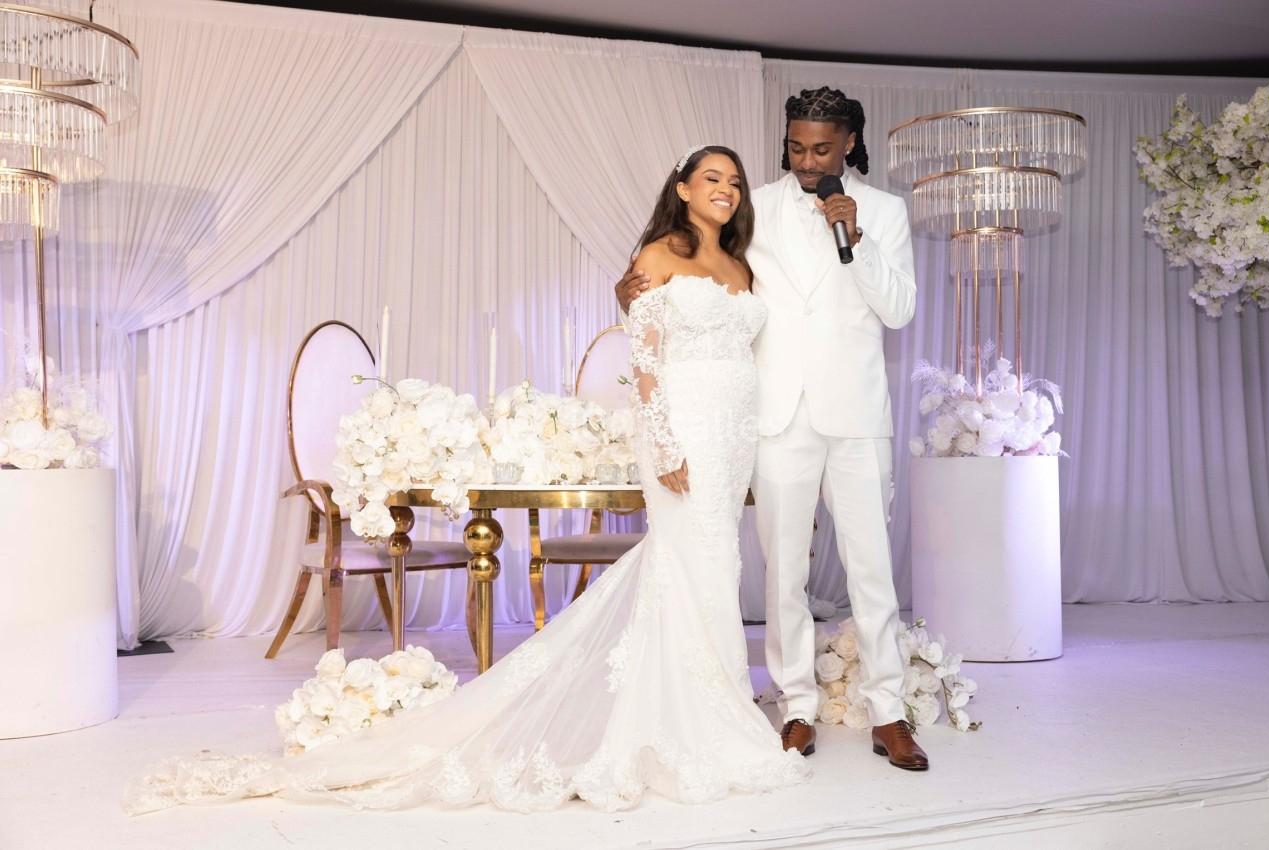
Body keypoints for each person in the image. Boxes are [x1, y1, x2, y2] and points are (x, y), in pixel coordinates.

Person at [124, 145, 808, 816]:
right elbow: (647, 359)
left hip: (735, 434)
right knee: (689, 561)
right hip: (683, 429)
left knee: (717, 565)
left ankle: (708, 702)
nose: (726, 188)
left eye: (735, 181)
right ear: (683, 187)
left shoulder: (742, 266)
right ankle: (689, 717)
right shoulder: (658, 256)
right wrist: (661, 440)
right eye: (711, 177)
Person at [616, 88, 927, 770]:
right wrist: (633, 289)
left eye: (822, 148)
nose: (808, 159)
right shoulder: (750, 205)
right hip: (774, 414)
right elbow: (690, 263)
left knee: (872, 570)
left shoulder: (883, 212)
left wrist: (859, 241)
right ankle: (795, 708)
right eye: (796, 146)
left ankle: (890, 711)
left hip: (855, 415)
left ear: (849, 143)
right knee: (782, 573)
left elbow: (900, 310)